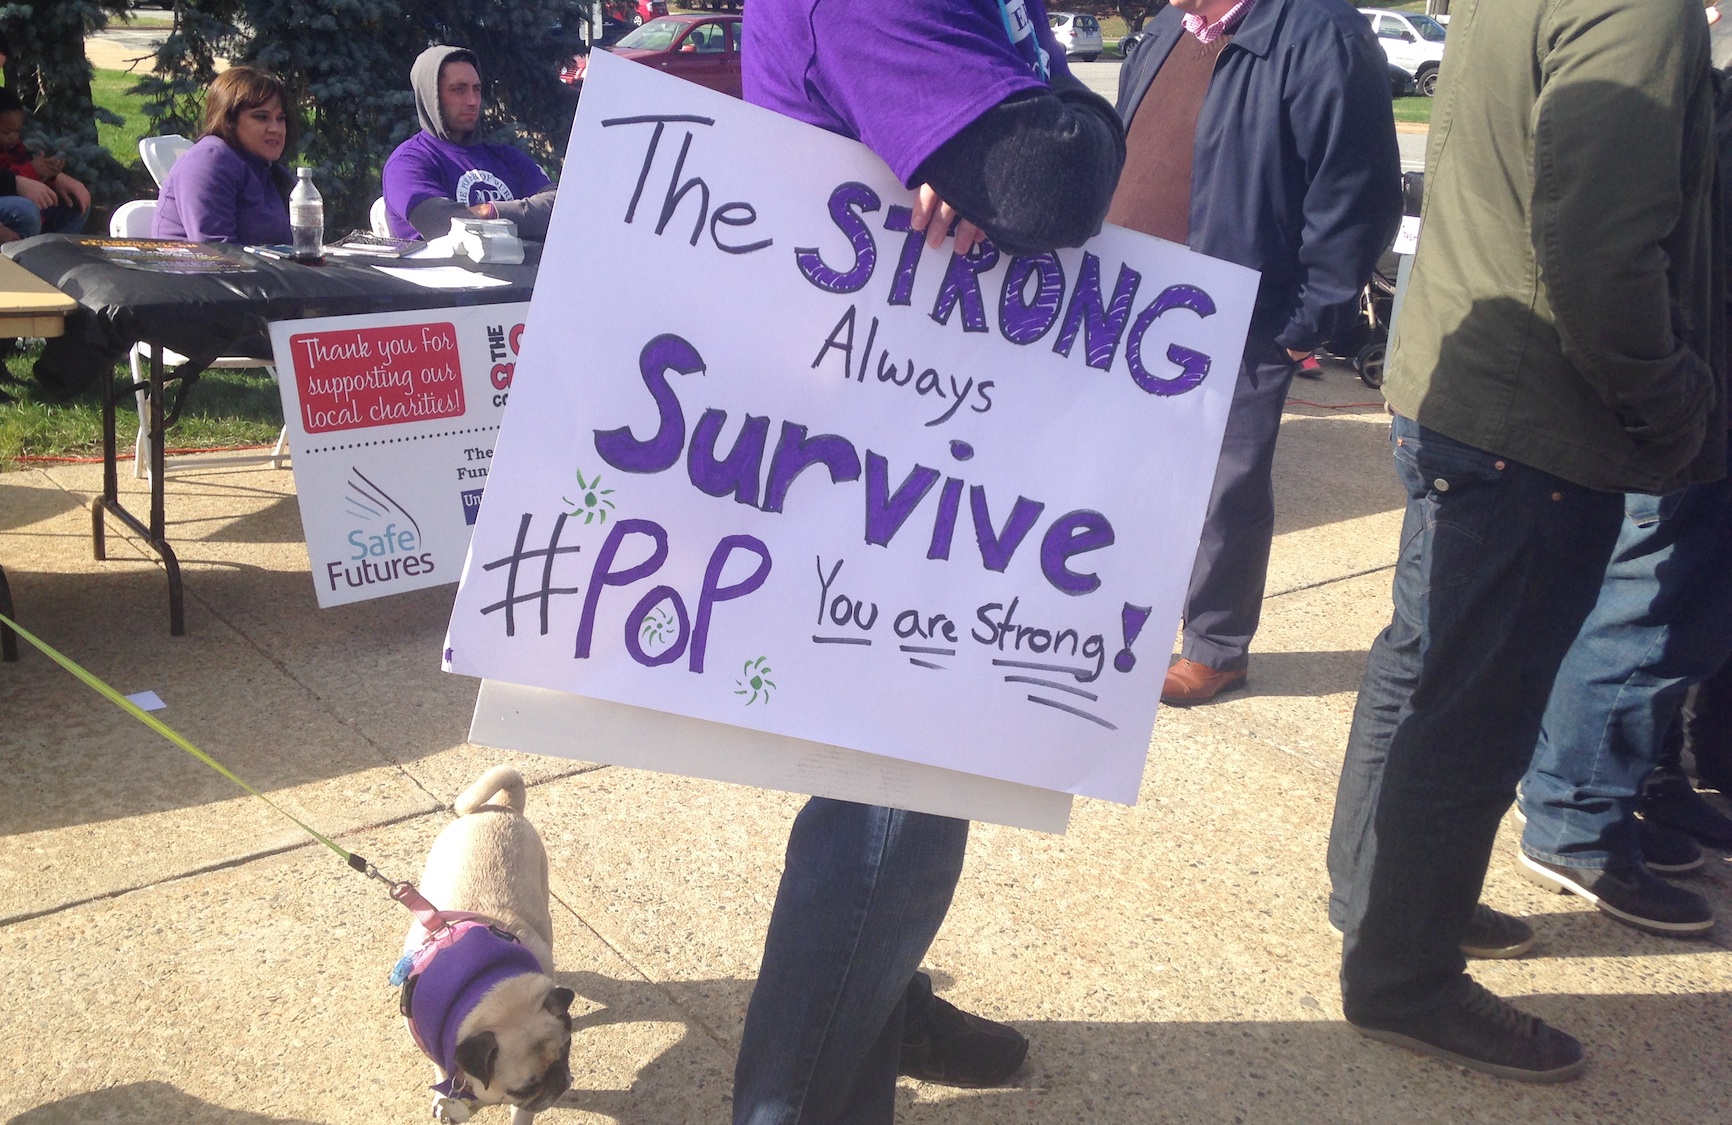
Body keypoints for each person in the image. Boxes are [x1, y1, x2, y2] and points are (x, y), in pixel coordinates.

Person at [736, 0, 1125, 1120]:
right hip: (884, 451)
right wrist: (1027, 135)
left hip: (943, 436)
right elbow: (1054, 178)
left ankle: (879, 1002)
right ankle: (800, 1099)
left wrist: (1030, 133)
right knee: (884, 816)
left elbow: (1056, 146)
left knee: (912, 801)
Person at [1326, 0, 1721, 1082]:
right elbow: (1601, 247)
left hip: (1457, 377)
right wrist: (1671, 398)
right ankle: (1403, 973)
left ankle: (1386, 907)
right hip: (1531, 413)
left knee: (1420, 665)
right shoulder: (1636, 12)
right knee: (1474, 706)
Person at [1109, 0, 1403, 706]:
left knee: (1224, 486)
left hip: (1239, 312)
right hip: (1124, 298)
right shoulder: (1163, 30)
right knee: (1123, 472)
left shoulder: (1322, 34)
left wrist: (1305, 320)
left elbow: (1356, 196)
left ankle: (1215, 646)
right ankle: (1112, 621)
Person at [381, 46, 556, 241]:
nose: (472, 101)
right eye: (458, 90)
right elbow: (443, 224)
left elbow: (561, 208)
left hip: (532, 269)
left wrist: (488, 211)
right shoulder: (407, 163)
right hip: (447, 271)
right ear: (432, 97)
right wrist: (523, 215)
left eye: (476, 89)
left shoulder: (507, 157)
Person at [152, 65, 296, 245]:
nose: (276, 129)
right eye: (261, 117)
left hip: (258, 272)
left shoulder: (269, 170)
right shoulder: (209, 161)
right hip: (199, 272)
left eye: (280, 118)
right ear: (229, 120)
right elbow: (217, 253)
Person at [0, 87, 90, 239]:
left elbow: (27, 167)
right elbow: (9, 180)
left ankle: (56, 251)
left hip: (25, 199)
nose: (13, 137)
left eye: (17, 132)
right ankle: (21, 257)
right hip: (12, 201)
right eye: (7, 133)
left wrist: (51, 175)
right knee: (25, 211)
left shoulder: (15, 147)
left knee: (75, 202)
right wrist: (32, 170)